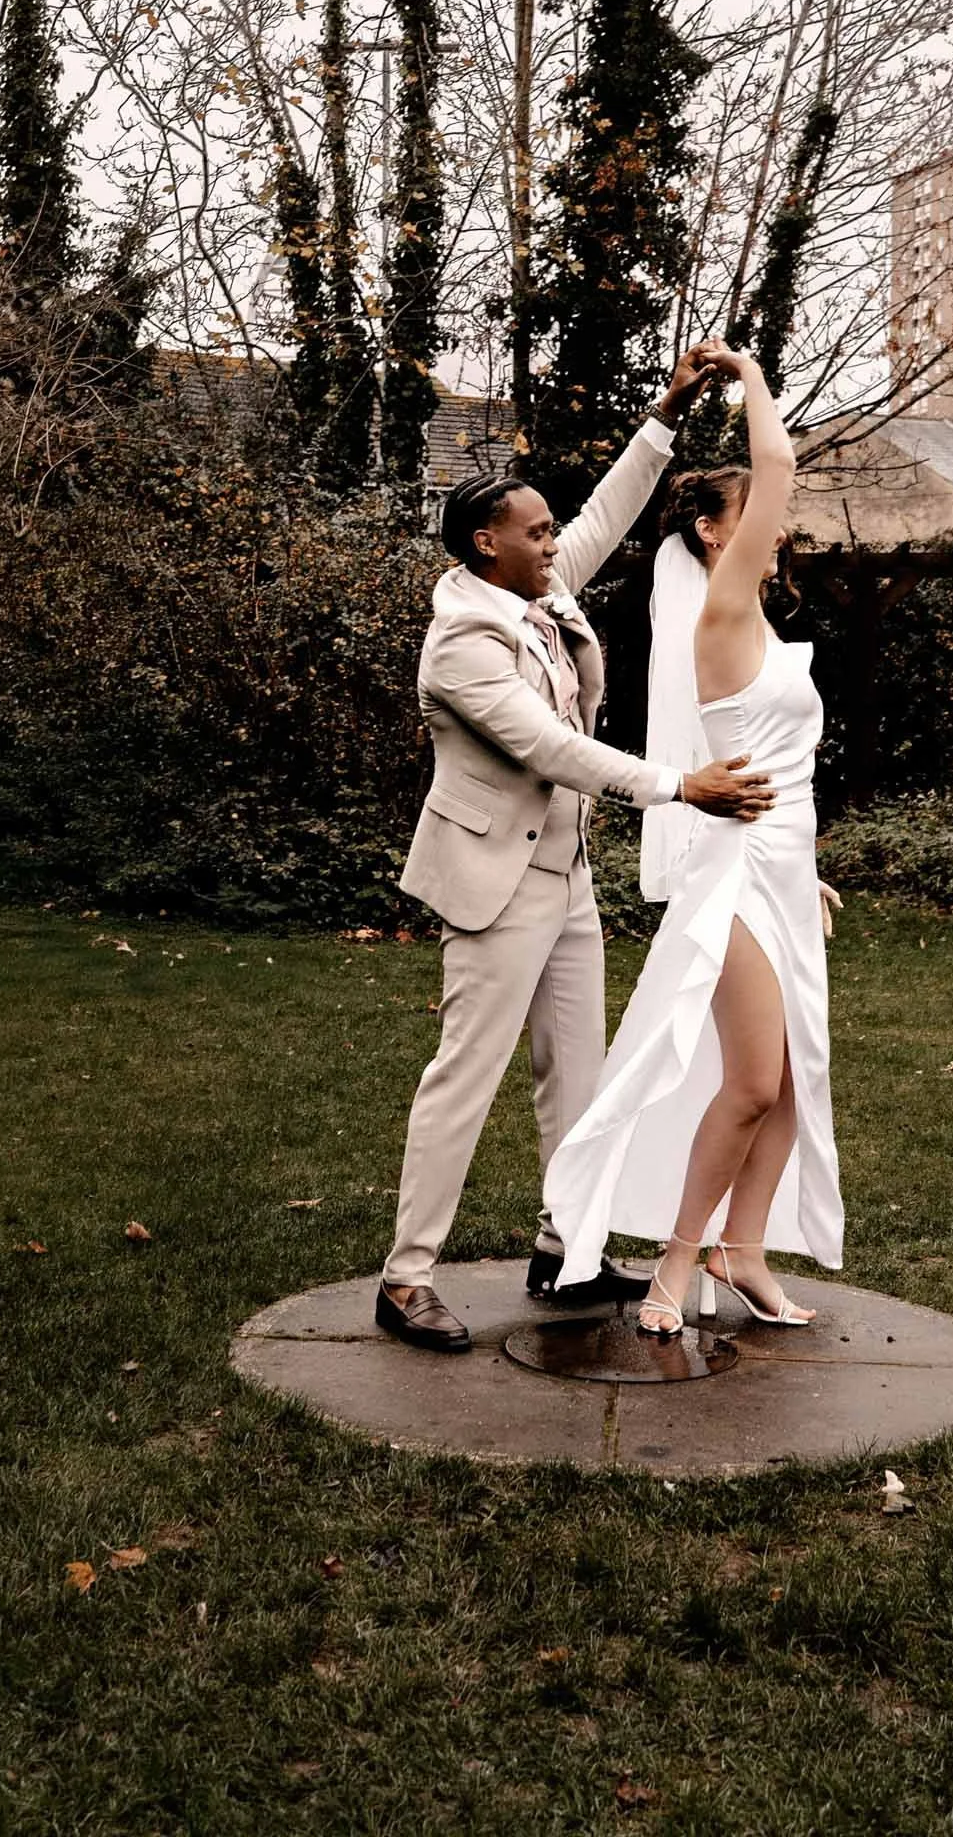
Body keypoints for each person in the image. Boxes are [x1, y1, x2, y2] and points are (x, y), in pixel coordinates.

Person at [376, 345, 778, 1354]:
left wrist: (669, 411)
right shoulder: (463, 641)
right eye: (536, 531)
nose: (558, 542)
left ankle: (568, 1252)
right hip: (493, 885)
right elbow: (548, 745)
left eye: (553, 529)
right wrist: (676, 783)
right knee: (463, 1078)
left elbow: (603, 514)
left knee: (580, 1078)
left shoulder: (536, 594)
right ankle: (407, 1277)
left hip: (562, 879)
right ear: (485, 543)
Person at [543, 339, 844, 1335]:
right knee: (752, 1079)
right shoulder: (720, 609)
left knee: (795, 1075)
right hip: (737, 874)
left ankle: (744, 1249)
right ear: (714, 534)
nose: (773, 522)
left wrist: (813, 873)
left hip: (786, 864)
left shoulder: (756, 616)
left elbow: (782, 767)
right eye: (750, 513)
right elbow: (783, 467)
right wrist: (750, 374)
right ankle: (677, 1264)